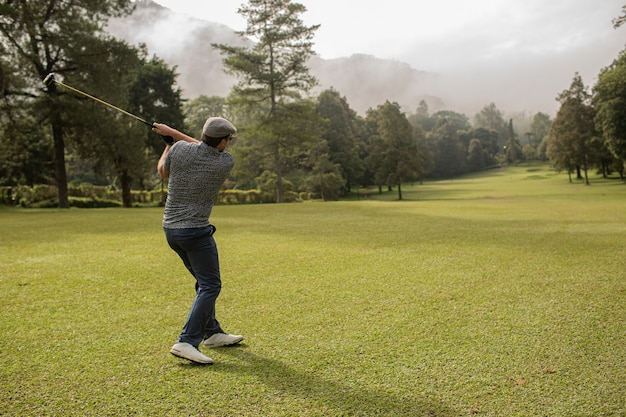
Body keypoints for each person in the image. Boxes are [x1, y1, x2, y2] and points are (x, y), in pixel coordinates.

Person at [153, 117, 243, 365]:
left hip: (171, 230)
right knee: (210, 285)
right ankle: (186, 341)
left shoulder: (180, 149)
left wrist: (169, 141)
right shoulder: (225, 161)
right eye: (229, 139)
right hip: (195, 232)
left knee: (203, 283)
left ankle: (212, 333)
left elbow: (163, 171)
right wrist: (174, 134)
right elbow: (203, 149)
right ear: (223, 141)